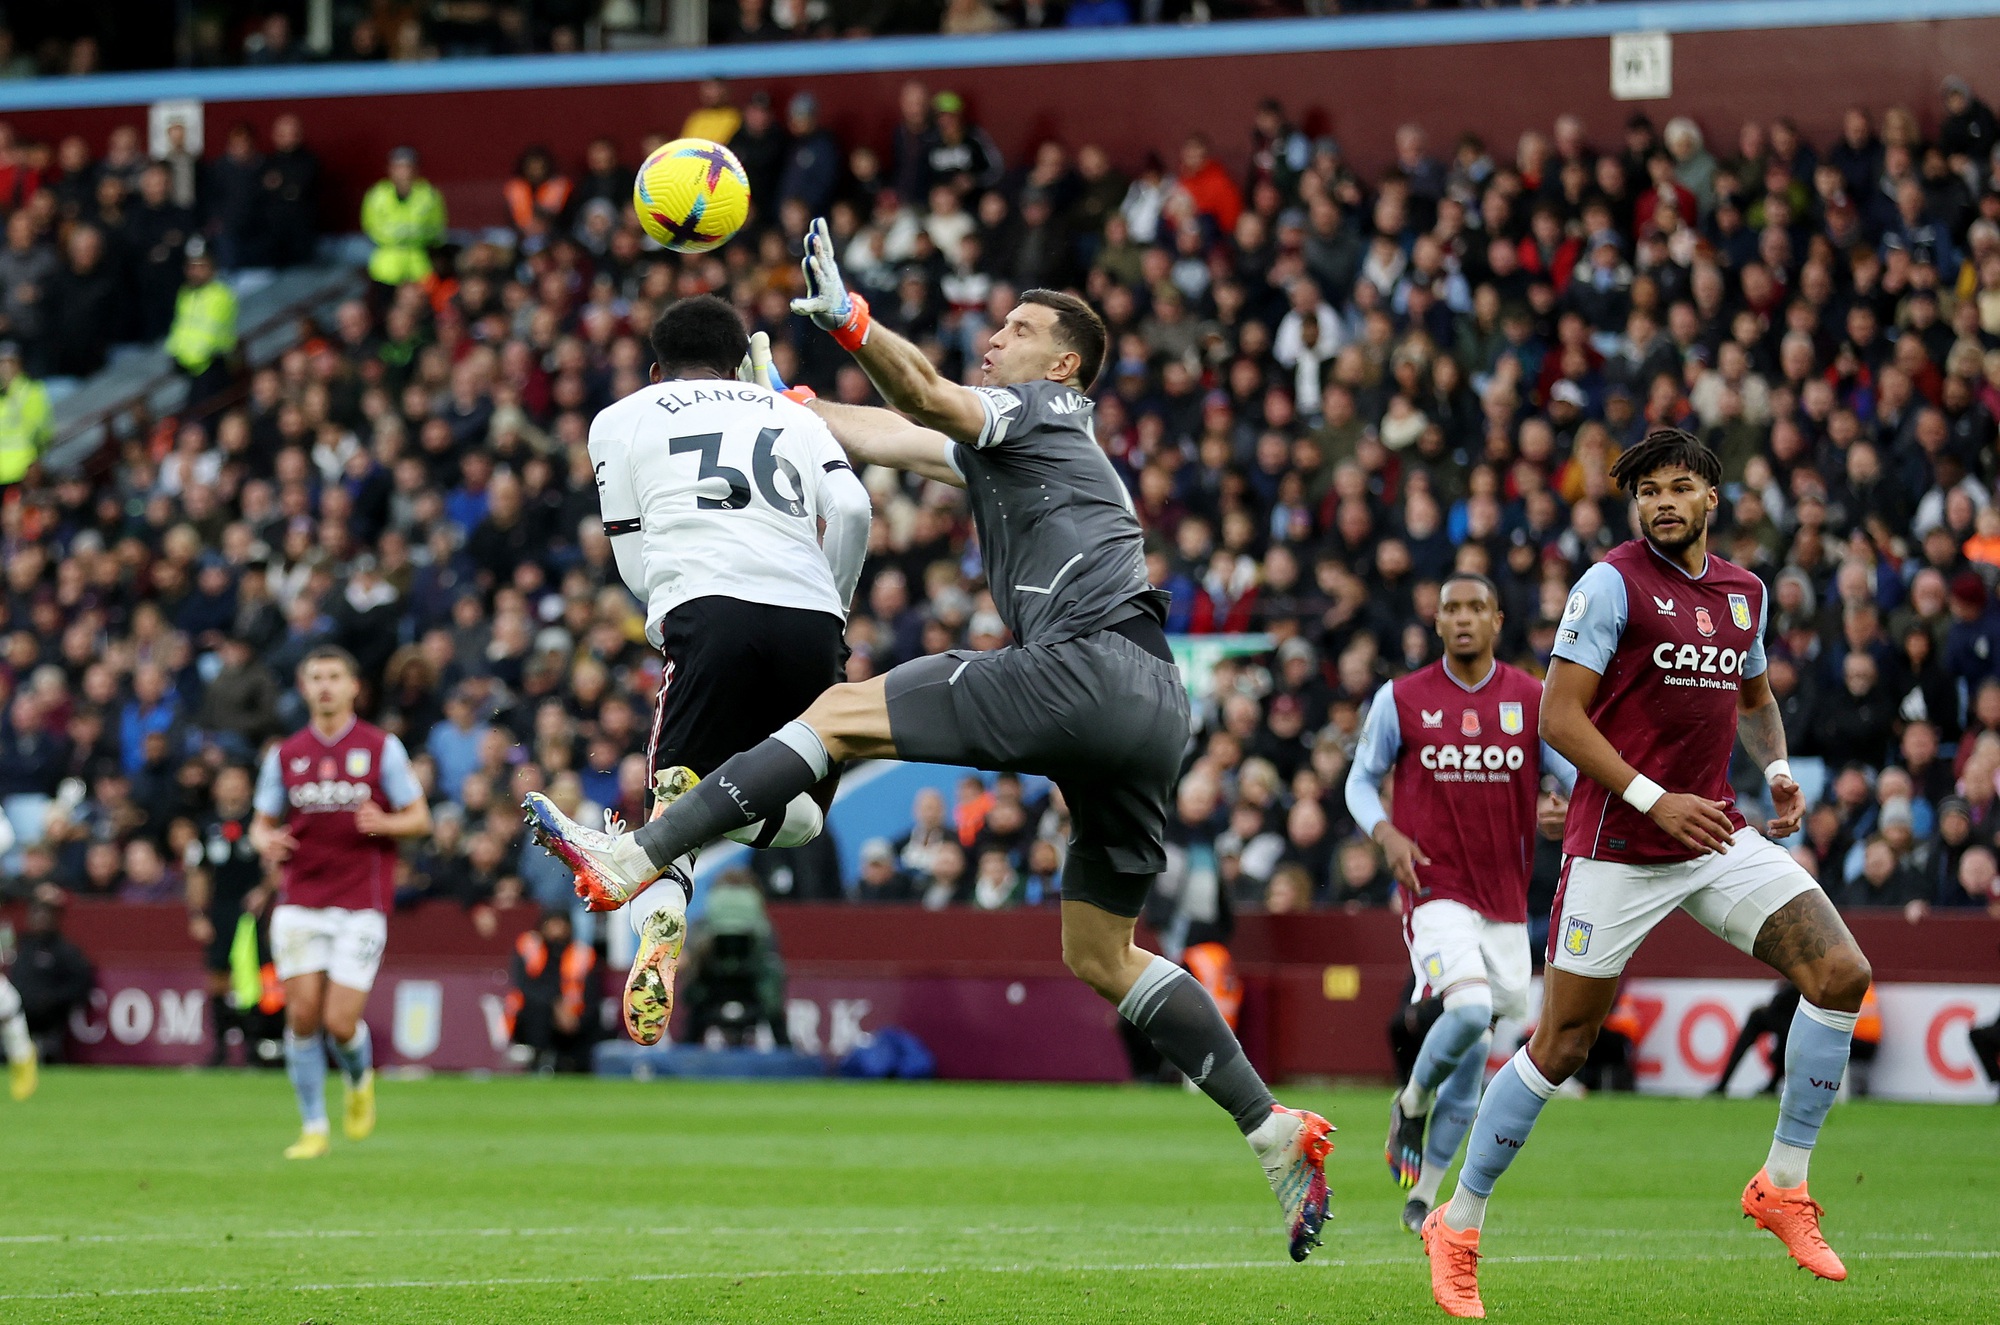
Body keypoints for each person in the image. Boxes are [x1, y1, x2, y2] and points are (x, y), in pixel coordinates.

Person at [524, 220, 1335, 1263]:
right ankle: (1269, 1127)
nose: (993, 337)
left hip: (1079, 667)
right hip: (1148, 704)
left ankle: (635, 854)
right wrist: (795, 409)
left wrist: (854, 319)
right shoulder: (1026, 446)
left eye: (1016, 326)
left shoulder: (1047, 408)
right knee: (1098, 949)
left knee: (831, 713)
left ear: (1065, 361)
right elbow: (893, 435)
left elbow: (928, 400)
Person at [1422, 429, 1873, 1316]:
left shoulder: (1745, 594)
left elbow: (1753, 697)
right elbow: (1558, 716)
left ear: (1714, 499)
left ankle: (1783, 1183)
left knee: (1842, 972)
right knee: (1560, 1046)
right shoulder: (1611, 582)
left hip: (1710, 831)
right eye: (1648, 493)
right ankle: (1458, 1222)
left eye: (1678, 489)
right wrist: (1652, 796)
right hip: (1618, 846)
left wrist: (1776, 769)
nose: (1662, 503)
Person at [527, 294, 869, 1048]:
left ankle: (666, 903)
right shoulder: (793, 414)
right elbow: (851, 510)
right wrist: (832, 613)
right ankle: (704, 808)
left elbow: (634, 565)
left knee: (669, 804)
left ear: (655, 367)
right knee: (805, 821)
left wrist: (677, 604)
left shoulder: (621, 417)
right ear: (739, 362)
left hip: (706, 611)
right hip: (810, 616)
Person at [1345, 571, 1576, 1234]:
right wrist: (1384, 831)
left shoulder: (1532, 699)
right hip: (1432, 887)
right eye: (1453, 608)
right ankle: (1411, 1100)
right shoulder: (1402, 697)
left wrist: (1565, 813)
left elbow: (1577, 782)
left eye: (1478, 605)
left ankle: (1426, 1196)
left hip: (1503, 902)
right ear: (1438, 620)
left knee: (1476, 1043)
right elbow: (1360, 782)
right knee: (1469, 1008)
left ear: (1497, 619)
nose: (1465, 617)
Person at [251, 646, 432, 1159]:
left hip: (360, 902)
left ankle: (358, 1081)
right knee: (302, 1016)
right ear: (304, 688)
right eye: (315, 677)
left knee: (340, 1022)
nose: (325, 686)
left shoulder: (381, 748)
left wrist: (387, 823)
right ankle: (313, 1126)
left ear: (355, 686)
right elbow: (261, 824)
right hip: (300, 899)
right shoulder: (286, 754)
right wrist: (263, 840)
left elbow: (420, 819)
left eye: (334, 676)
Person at [184, 764, 268, 1067]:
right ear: (217, 788)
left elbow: (276, 863)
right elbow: (197, 873)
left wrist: (264, 890)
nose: (233, 788)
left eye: (238, 782)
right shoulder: (206, 827)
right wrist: (198, 914)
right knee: (218, 978)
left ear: (249, 788)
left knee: (255, 978)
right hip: (220, 909)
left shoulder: (260, 823)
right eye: (227, 782)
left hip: (252, 912)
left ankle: (255, 1047)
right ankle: (219, 1049)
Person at [505, 908, 598, 1072]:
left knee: (594, 1018)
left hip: (573, 1015)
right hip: (535, 1013)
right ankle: (540, 1059)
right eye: (553, 923)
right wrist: (555, 1005)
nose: (557, 929)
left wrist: (575, 1018)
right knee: (538, 1010)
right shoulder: (529, 947)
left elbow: (592, 993)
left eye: (561, 924)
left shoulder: (582, 954)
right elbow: (524, 985)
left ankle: (573, 1064)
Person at [165, 238, 237, 414]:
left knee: (205, 417)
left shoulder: (221, 294)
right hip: (190, 368)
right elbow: (180, 328)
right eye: (191, 266)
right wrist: (174, 353)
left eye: (201, 266)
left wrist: (188, 358)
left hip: (212, 366)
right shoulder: (186, 294)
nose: (195, 271)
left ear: (212, 267)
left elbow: (212, 334)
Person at [360, 147, 447, 292]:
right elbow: (369, 227)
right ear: (390, 169)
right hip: (386, 266)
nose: (404, 172)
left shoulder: (430, 195)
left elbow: (437, 229)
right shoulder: (377, 195)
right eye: (399, 167)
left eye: (408, 166)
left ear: (417, 169)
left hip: (420, 264)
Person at [0, 339, 52, 490]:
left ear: (18, 364)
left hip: (24, 471)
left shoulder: (33, 391)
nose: (4, 369)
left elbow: (40, 431)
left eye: (8, 363)